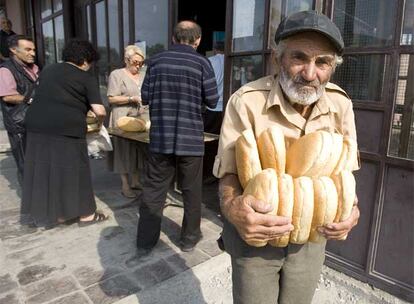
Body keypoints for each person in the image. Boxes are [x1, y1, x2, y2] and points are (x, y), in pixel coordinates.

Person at [213, 11, 360, 304]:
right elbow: (229, 171)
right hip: (255, 237)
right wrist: (233, 209)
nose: (309, 73)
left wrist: (351, 210)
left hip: (311, 237)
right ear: (277, 58)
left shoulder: (340, 104)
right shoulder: (247, 101)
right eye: (299, 58)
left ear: (332, 68)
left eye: (322, 63)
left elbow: (345, 172)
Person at [136, 20, 219, 254]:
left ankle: (145, 242)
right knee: (192, 191)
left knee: (153, 190)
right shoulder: (202, 63)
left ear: (173, 38)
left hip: (160, 138)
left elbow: (145, 97)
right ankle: (189, 239)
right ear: (198, 40)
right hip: (191, 139)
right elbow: (213, 100)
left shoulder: (155, 61)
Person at [22, 39, 108, 228]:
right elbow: (100, 110)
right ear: (85, 60)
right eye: (91, 63)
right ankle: (86, 215)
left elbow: (30, 97)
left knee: (49, 170)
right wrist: (99, 124)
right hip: (67, 127)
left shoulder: (48, 70)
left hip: (36, 126)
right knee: (77, 170)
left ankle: (60, 215)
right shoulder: (85, 77)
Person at [107, 45, 146, 198]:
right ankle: (125, 185)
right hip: (122, 117)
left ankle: (136, 181)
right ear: (126, 60)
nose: (138, 66)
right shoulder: (117, 75)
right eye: (135, 62)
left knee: (138, 151)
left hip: (140, 116)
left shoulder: (143, 75)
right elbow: (111, 98)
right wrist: (131, 98)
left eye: (141, 63)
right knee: (123, 152)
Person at [0, 35, 38, 185]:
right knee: (26, 166)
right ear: (13, 50)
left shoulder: (34, 67)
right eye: (27, 49)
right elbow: (8, 96)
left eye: (33, 49)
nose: (32, 53)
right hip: (19, 125)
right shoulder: (5, 70)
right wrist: (32, 100)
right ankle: (31, 204)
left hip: (35, 121)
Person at [204, 40, 224, 134]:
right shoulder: (232, 60)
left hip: (212, 107)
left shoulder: (210, 61)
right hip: (226, 106)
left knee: (208, 137)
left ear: (214, 50)